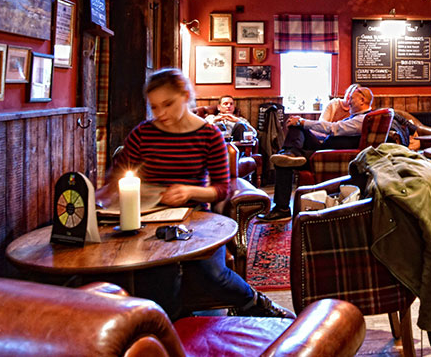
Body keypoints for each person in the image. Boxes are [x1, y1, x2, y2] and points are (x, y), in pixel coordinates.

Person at [108, 68, 293, 320]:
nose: (160, 114)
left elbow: (222, 189)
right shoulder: (143, 134)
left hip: (196, 219)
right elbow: (117, 177)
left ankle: (255, 303)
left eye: (167, 104)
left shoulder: (209, 136)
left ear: (185, 96)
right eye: (154, 107)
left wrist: (189, 191)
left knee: (211, 273)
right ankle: (175, 331)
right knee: (157, 275)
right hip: (147, 218)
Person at [260, 84, 375, 221]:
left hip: (328, 156)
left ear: (362, 100)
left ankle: (282, 208)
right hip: (325, 150)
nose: (348, 101)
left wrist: (303, 122)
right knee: (296, 130)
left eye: (352, 99)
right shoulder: (359, 117)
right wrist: (301, 124)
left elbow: (334, 128)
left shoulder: (362, 119)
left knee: (283, 163)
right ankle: (290, 153)